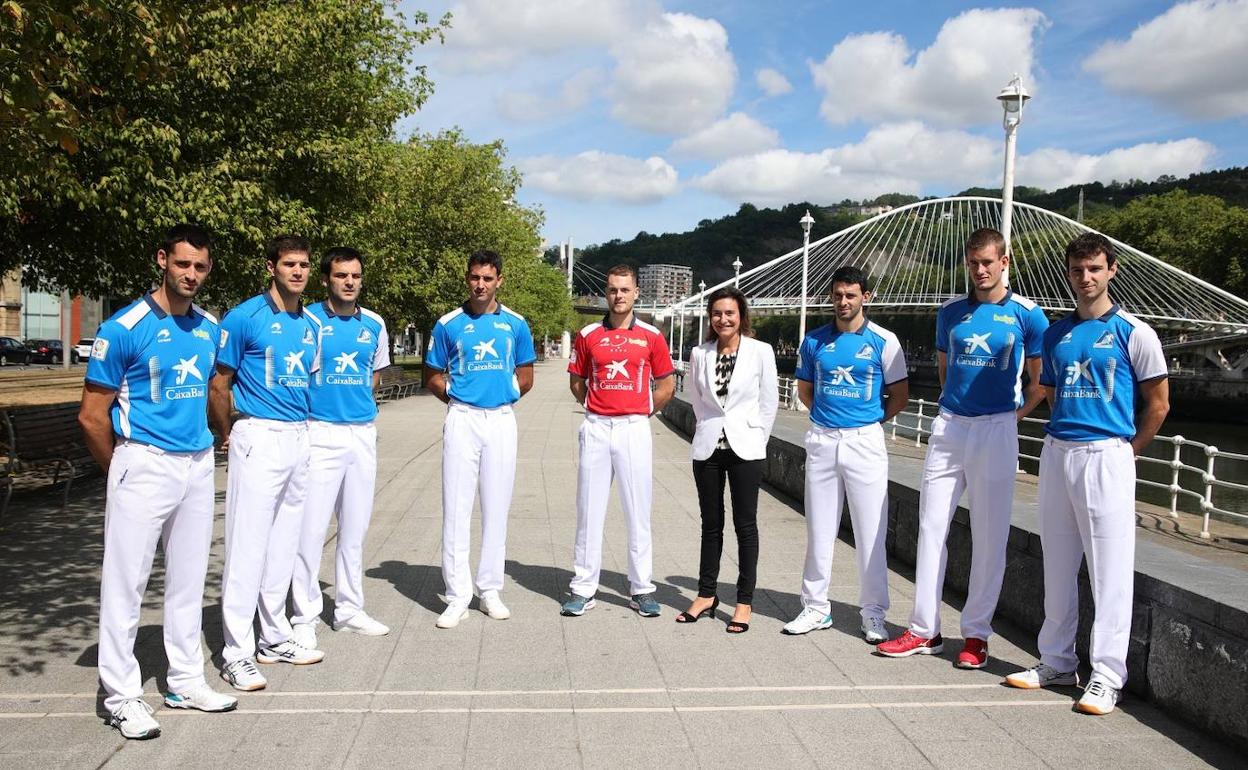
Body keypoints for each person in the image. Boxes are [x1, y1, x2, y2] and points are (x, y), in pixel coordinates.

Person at [80, 224, 237, 739]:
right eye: (182, 263)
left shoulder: (210, 327)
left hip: (196, 464)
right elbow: (91, 416)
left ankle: (185, 680)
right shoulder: (124, 327)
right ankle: (121, 696)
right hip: (143, 461)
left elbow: (213, 390)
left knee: (189, 579)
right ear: (162, 260)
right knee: (125, 584)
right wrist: (120, 470)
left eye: (200, 266)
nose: (191, 274)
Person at [1005, 233, 1168, 715]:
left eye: (1094, 268)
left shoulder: (1135, 333)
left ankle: (1106, 676)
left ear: (1111, 270)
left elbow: (1159, 405)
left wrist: (1127, 452)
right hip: (1059, 451)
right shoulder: (1055, 333)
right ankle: (1057, 661)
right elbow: (1052, 393)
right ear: (1069, 274)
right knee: (1057, 562)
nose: (1086, 277)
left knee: (1109, 569)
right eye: (1077, 270)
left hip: (1106, 453)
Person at [878, 228, 1048, 669]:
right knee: (931, 525)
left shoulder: (1028, 315)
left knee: (990, 535)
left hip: (997, 427)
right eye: (973, 262)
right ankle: (923, 630)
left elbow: (1040, 382)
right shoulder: (950, 312)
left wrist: (1012, 418)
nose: (980, 270)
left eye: (988, 262)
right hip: (951, 426)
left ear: (1004, 262)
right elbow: (944, 369)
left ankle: (976, 635)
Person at [211, 234, 323, 691]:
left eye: (304, 265)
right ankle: (235, 652)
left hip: (298, 437)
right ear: (271, 267)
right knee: (247, 546)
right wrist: (227, 431)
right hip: (258, 433)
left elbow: (307, 383)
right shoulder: (245, 317)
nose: (297, 272)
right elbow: (219, 384)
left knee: (283, 545)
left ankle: (273, 637)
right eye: (289, 264)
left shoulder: (310, 324)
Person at [784, 267, 910, 641]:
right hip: (823, 439)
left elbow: (899, 397)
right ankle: (815, 608)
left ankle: (873, 614)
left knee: (871, 532)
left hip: (864, 441)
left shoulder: (885, 341)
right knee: (819, 529)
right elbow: (805, 390)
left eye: (851, 295)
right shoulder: (814, 341)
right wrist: (829, 419)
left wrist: (867, 422)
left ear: (865, 297)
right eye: (838, 295)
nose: (843, 301)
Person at [424, 250, 536, 629]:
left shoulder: (516, 324)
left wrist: (505, 394)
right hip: (463, 419)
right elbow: (432, 376)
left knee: (496, 505)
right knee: (456, 507)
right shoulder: (448, 324)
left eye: (488, 278)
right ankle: (457, 595)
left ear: (499, 280)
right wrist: (459, 398)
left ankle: (489, 589)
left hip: (501, 419)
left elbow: (526, 375)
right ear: (467, 278)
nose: (481, 284)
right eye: (475, 277)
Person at [289, 247, 391, 649]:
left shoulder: (375, 324)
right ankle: (304, 615)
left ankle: (348, 610)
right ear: (326, 279)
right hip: (320, 431)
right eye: (341, 275)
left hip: (362, 433)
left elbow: (374, 375)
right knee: (311, 530)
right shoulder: (308, 319)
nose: (349, 282)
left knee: (355, 528)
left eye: (355, 276)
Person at [561, 265, 676, 618]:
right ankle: (584, 587)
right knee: (589, 510)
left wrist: (640, 411)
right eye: (612, 289)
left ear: (636, 292)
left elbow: (666, 385)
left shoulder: (652, 336)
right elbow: (577, 381)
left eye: (625, 290)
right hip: (597, 426)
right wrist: (599, 407)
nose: (618, 296)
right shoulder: (588, 334)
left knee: (638, 511)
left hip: (633, 428)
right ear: (606, 293)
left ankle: (641, 589)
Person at [680, 287, 778, 633]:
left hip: (746, 450)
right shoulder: (699, 353)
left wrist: (756, 440)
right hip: (708, 448)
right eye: (717, 313)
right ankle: (706, 594)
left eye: (730, 313)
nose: (723, 319)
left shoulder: (761, 351)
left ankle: (743, 602)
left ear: (741, 316)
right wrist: (709, 429)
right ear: (710, 318)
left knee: (745, 525)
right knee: (710, 525)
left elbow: (769, 402)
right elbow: (697, 400)